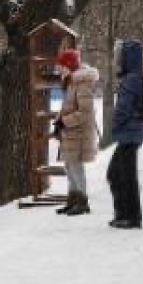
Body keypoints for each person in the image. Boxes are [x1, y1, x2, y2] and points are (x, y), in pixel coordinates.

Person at [53, 49, 99, 216]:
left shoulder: (82, 84)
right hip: (70, 132)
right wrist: (59, 121)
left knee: (76, 167)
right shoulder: (71, 82)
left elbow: (85, 112)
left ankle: (82, 203)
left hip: (78, 133)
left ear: (70, 65)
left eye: (62, 66)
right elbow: (68, 107)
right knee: (69, 167)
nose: (59, 69)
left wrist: (64, 121)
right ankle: (73, 201)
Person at [108, 39, 143, 229]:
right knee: (116, 173)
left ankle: (131, 217)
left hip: (129, 134)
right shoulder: (133, 77)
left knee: (125, 175)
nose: (116, 61)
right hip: (130, 133)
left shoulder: (131, 79)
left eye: (119, 57)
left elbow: (123, 108)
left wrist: (115, 125)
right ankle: (123, 213)